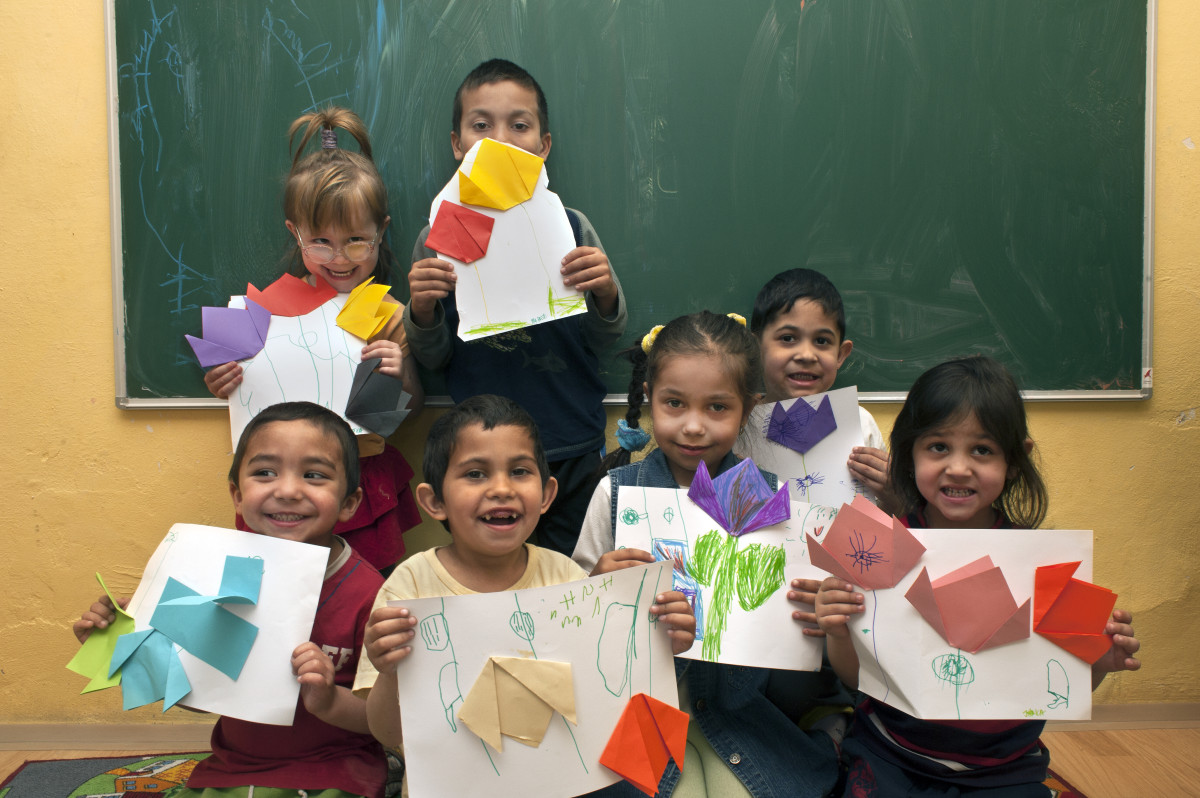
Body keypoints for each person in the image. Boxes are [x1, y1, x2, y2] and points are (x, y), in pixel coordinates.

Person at [816, 356, 1142, 797]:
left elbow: (1064, 683)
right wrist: (837, 632)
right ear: (908, 453)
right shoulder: (878, 547)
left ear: (1015, 458)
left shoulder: (1043, 564)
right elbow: (858, 678)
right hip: (892, 751)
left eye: (982, 450)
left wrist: (1103, 660)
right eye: (937, 447)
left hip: (1005, 766)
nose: (959, 467)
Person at [352, 394, 695, 793]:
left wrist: (658, 643)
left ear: (547, 494)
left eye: (519, 471)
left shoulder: (564, 577)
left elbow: (602, 692)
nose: (501, 489)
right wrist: (391, 672)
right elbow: (386, 732)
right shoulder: (409, 587)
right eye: (475, 474)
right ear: (434, 502)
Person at [573, 311, 843, 798]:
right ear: (649, 395)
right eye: (674, 403)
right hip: (642, 712)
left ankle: (825, 736)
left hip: (740, 708)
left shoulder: (772, 502)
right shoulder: (616, 494)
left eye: (717, 407)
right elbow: (573, 625)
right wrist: (596, 585)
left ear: (748, 408)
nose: (693, 427)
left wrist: (809, 612)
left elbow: (790, 637)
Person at [74, 402, 387, 798]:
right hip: (233, 767)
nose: (287, 490)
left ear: (349, 503)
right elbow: (201, 699)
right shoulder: (214, 579)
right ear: (238, 495)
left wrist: (326, 700)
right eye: (265, 472)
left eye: (313, 475)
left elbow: (384, 719)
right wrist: (120, 649)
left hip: (336, 770)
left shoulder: (371, 593)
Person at [403, 58, 626, 557]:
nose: (500, 139)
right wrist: (421, 311)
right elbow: (433, 357)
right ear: (457, 144)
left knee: (572, 581)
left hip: (570, 442)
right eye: (481, 126)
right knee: (489, 576)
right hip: (482, 454)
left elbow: (608, 339)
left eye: (519, 125)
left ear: (544, 146)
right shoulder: (438, 235)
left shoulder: (569, 224)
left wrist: (605, 291)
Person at [202, 107, 424, 574]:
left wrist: (399, 376)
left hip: (360, 484)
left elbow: (412, 407)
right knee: (279, 598)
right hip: (280, 485)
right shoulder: (256, 314)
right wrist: (222, 379)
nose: (339, 258)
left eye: (357, 241)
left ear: (382, 231)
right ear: (294, 233)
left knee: (363, 599)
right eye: (320, 242)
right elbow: (232, 392)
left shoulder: (390, 315)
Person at [743, 267, 889, 495]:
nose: (806, 355)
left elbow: (884, 513)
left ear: (840, 355)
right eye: (788, 338)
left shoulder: (861, 426)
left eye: (822, 341)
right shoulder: (737, 424)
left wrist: (891, 493)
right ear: (756, 348)